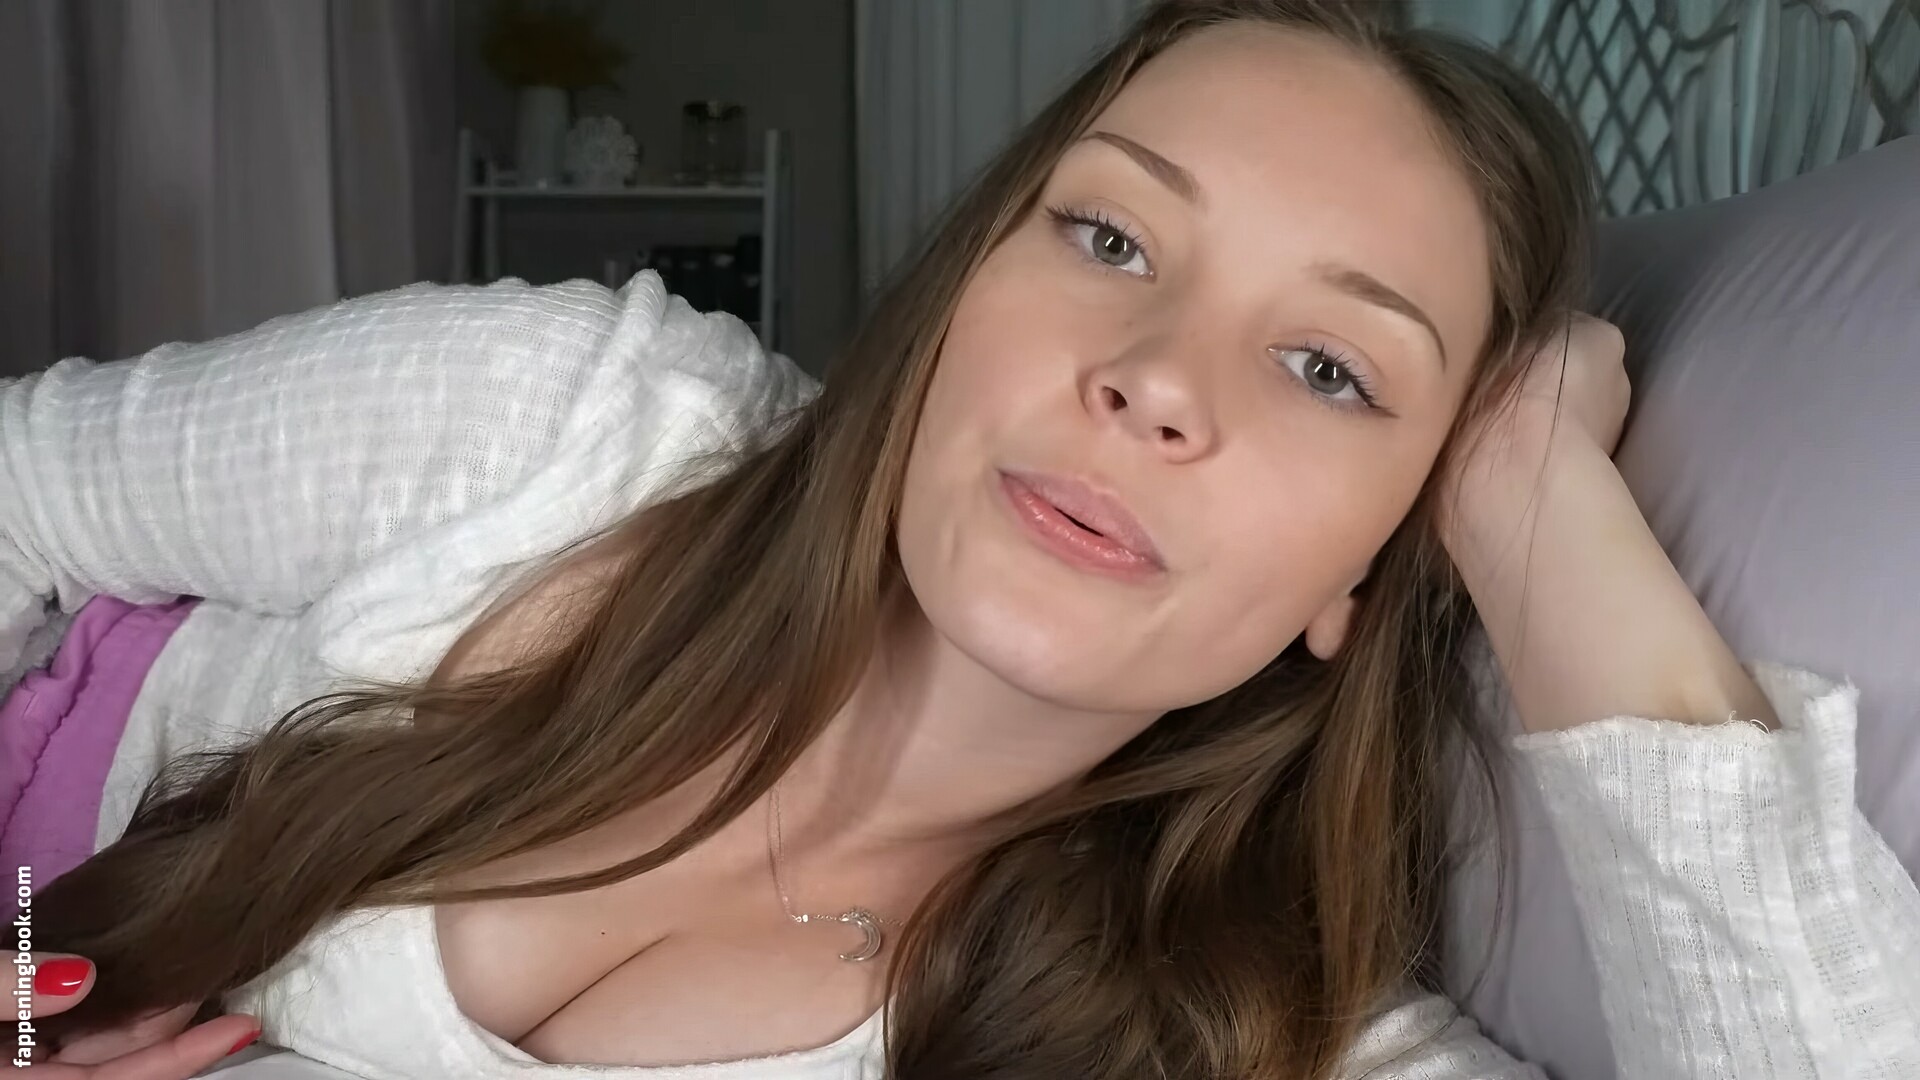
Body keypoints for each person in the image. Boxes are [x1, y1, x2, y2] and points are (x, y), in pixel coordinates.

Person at [5, 1, 1917, 1077]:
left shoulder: (1250, 1038)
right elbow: (25, 483)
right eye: (1109, 236)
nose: (1156, 381)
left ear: (1373, 566)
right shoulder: (568, 419)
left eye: (1330, 368)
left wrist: (1537, 511)